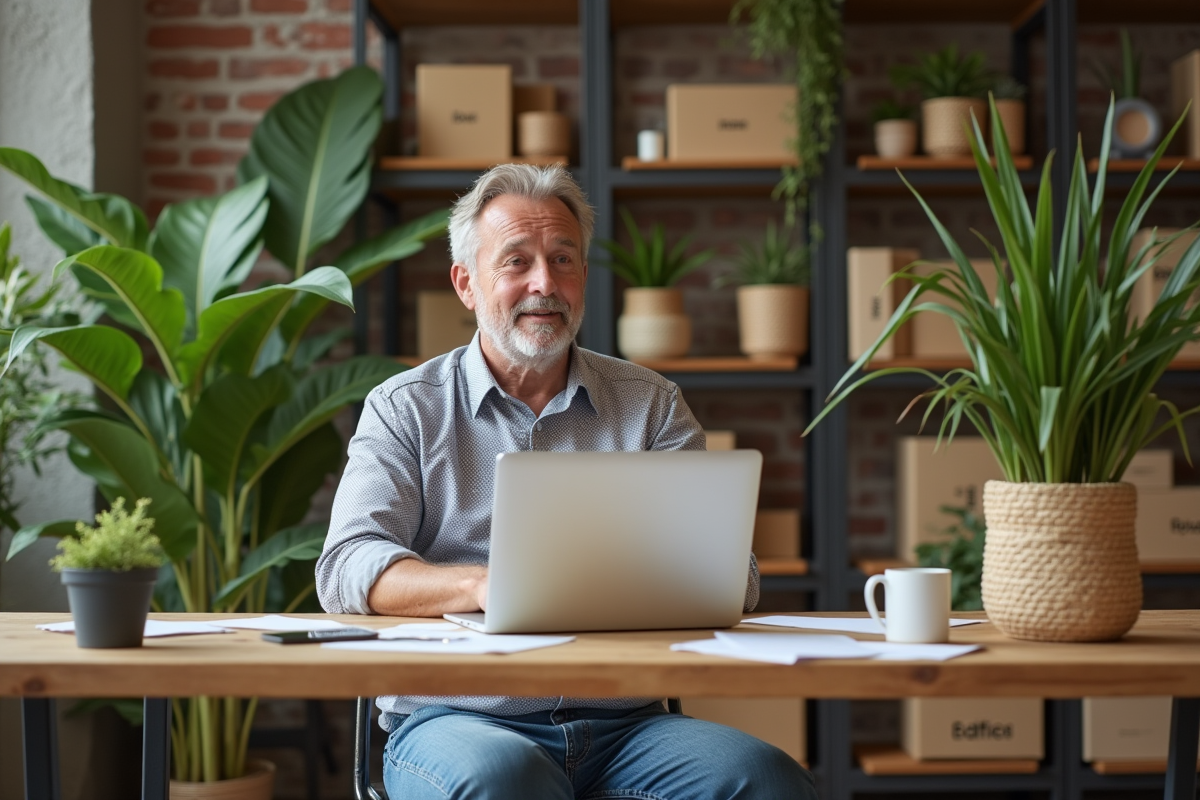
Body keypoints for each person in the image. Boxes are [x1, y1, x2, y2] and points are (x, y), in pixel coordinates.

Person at [316, 164, 818, 800]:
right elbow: (346, 567)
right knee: (505, 780)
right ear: (465, 283)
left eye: (563, 259)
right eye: (517, 262)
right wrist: (480, 584)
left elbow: (733, 577)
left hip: (628, 726)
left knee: (770, 781)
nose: (544, 284)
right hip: (457, 719)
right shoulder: (405, 407)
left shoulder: (652, 404)